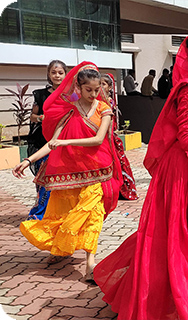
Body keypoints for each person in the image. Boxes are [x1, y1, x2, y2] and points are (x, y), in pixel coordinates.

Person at [93, 33, 188, 320]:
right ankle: (180, 299)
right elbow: (185, 138)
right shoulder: (187, 90)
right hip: (182, 170)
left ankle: (187, 292)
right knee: (178, 238)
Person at [12, 62, 122, 280]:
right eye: (88, 89)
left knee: (92, 215)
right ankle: (59, 246)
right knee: (64, 215)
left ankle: (91, 264)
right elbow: (53, 142)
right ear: (78, 88)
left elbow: (98, 139)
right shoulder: (69, 111)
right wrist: (28, 160)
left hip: (97, 172)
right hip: (69, 173)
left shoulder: (104, 109)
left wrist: (65, 142)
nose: (93, 94)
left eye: (96, 89)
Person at [27, 60, 67, 220]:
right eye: (54, 72)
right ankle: (39, 213)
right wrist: (43, 118)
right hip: (41, 142)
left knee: (59, 181)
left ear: (65, 74)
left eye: (60, 72)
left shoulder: (71, 95)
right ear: (49, 75)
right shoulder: (40, 94)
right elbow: (32, 117)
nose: (57, 75)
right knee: (43, 181)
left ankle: (56, 213)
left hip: (62, 142)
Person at [101, 73, 139, 200]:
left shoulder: (108, 103)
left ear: (110, 87)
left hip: (107, 138)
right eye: (99, 84)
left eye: (103, 84)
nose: (100, 87)